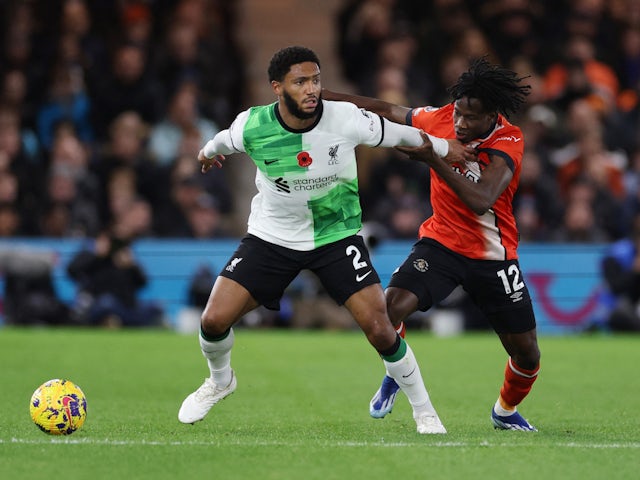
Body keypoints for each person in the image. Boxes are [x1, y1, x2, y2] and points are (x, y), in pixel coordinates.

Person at [177, 45, 472, 434]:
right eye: (301, 82)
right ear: (277, 88)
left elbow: (404, 135)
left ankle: (424, 411)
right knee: (213, 320)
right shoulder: (252, 125)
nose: (312, 89)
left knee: (381, 329)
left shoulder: (346, 119)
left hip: (336, 237)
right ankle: (219, 381)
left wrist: (445, 147)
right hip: (272, 238)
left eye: (316, 80)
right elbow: (221, 141)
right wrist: (205, 154)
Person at [323, 57, 541, 431]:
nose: (459, 123)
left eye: (471, 118)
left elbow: (481, 200)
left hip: (493, 255)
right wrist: (329, 98)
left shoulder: (509, 139)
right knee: (388, 311)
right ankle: (398, 373)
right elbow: (390, 110)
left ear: (492, 116)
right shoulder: (440, 118)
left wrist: (432, 157)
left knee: (527, 355)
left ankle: (504, 412)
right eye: (458, 113)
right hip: (441, 243)